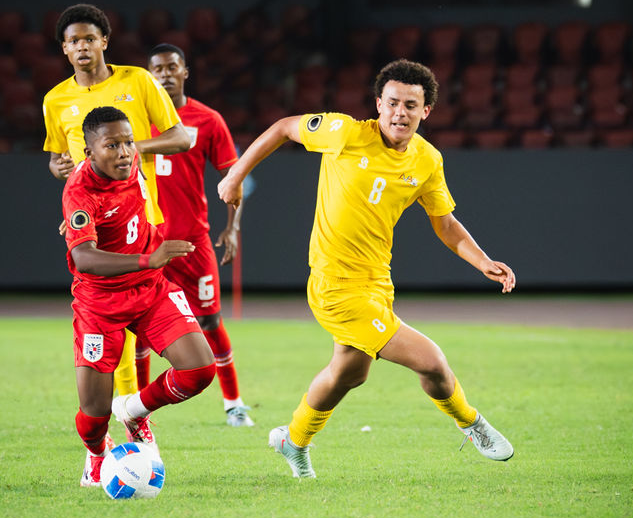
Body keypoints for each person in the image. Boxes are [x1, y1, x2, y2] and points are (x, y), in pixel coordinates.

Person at [217, 58, 516, 479]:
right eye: (392, 102)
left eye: (411, 105)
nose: (400, 113)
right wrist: (235, 175)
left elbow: (445, 223)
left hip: (377, 281)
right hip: (334, 285)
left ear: (425, 110)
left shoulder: (427, 160)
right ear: (378, 103)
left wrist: (482, 260)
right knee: (431, 360)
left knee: (348, 373)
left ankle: (294, 439)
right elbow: (284, 127)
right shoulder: (345, 133)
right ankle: (472, 424)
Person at [43, 3, 191, 433]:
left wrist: (125, 148)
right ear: (65, 50)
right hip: (95, 221)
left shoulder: (137, 81)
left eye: (90, 38)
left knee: (144, 327)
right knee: (113, 336)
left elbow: (180, 136)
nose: (82, 47)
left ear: (104, 41)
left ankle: (133, 416)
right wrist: (66, 174)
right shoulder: (56, 99)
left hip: (142, 219)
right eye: (73, 41)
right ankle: (131, 425)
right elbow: (57, 159)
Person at [63, 106, 215, 487]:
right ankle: (97, 453)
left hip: (150, 289)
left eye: (128, 142)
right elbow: (83, 257)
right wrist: (150, 256)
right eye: (111, 145)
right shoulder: (80, 191)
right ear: (89, 152)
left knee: (199, 370)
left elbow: (180, 143)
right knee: (94, 412)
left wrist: (151, 258)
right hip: (100, 304)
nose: (125, 152)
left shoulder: (132, 166)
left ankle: (135, 411)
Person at [145, 43, 253, 427]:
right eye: (158, 69)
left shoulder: (207, 120)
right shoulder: (136, 121)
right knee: (141, 330)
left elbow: (234, 177)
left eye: (173, 67)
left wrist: (233, 228)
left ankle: (234, 404)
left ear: (185, 72)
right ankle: (142, 413)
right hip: (148, 245)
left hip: (193, 243)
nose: (165, 74)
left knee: (209, 323)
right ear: (149, 75)